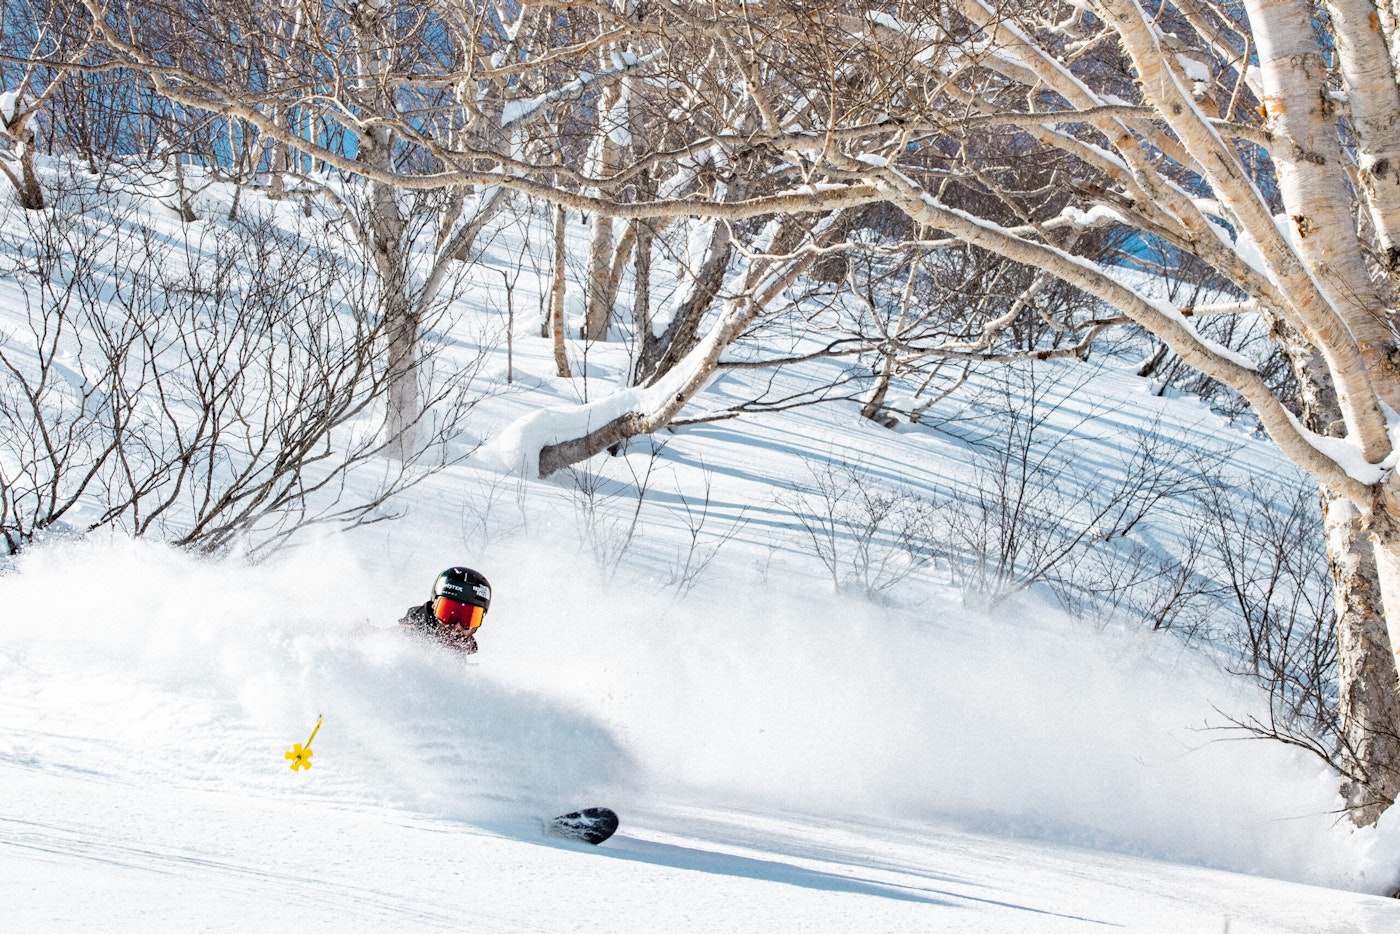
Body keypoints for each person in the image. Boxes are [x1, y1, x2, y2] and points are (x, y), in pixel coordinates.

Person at [400, 566, 492, 655]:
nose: (457, 627)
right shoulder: (403, 642)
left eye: (468, 619)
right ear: (434, 606)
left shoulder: (459, 653)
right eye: (448, 612)